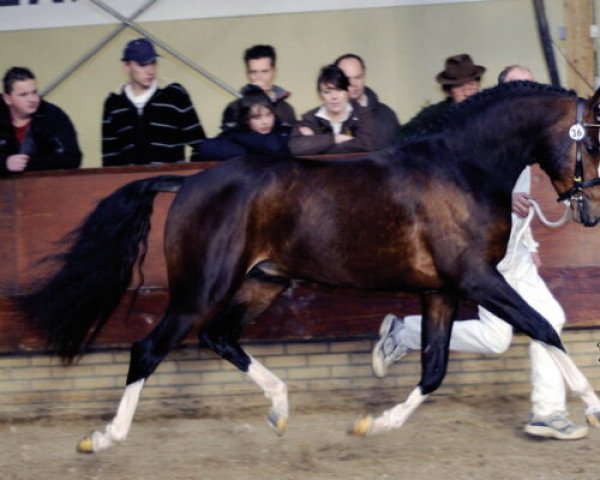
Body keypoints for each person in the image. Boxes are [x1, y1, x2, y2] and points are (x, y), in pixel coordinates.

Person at [371, 64, 589, 440]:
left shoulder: (529, 139)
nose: (528, 92)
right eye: (518, 86)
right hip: (485, 253)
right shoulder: (485, 133)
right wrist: (506, 197)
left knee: (497, 338)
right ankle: (547, 412)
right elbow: (464, 190)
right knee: (548, 318)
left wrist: (531, 244)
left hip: (514, 252)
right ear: (504, 93)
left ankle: (402, 333)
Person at [102, 38, 206, 166]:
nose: (150, 70)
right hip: (131, 183)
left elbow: (200, 145)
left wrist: (188, 176)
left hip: (169, 182)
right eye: (142, 64)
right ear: (126, 66)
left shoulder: (175, 95)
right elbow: (110, 157)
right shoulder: (114, 104)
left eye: (153, 62)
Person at [0, 67, 81, 175]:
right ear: (7, 99)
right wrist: (4, 163)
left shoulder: (53, 116)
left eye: (34, 92)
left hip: (46, 186)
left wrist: (27, 164)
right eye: (23, 95)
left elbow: (72, 158)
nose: (32, 99)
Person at [288, 64, 375, 156]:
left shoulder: (362, 114)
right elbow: (295, 147)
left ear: (347, 91)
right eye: (327, 92)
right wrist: (335, 138)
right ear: (320, 95)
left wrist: (316, 141)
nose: (334, 97)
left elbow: (367, 146)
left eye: (339, 90)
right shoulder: (310, 119)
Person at [397, 53, 484, 142]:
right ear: (448, 92)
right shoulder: (433, 114)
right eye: (459, 87)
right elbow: (402, 138)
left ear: (478, 85)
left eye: (471, 84)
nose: (467, 92)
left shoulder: (490, 109)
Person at [194, 86, 289, 160]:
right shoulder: (234, 134)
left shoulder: (283, 132)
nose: (265, 122)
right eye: (256, 117)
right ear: (246, 119)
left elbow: (274, 147)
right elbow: (204, 147)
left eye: (268, 115)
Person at [221, 44, 296, 132]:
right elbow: (228, 141)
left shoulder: (286, 109)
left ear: (274, 72)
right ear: (247, 74)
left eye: (264, 71)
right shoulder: (234, 108)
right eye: (253, 72)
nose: (259, 77)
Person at [334, 53, 401, 149]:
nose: (353, 83)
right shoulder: (324, 118)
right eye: (347, 79)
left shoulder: (386, 115)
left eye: (358, 77)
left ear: (364, 77)